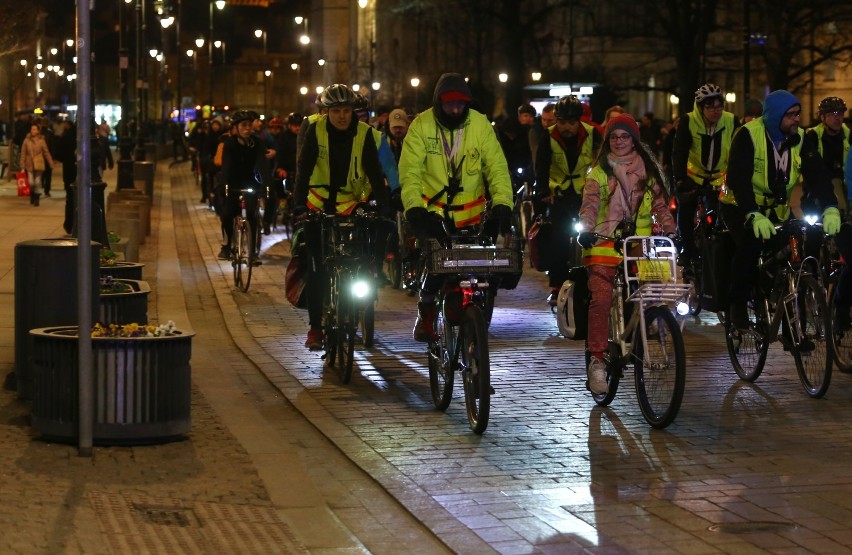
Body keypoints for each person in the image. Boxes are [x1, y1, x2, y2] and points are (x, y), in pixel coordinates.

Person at [399, 72, 514, 342]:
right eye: (449, 104)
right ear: (438, 102)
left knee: (481, 271)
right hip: (434, 214)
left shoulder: (480, 124)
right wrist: (415, 208)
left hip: (472, 214)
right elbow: (410, 171)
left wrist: (502, 204)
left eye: (461, 104)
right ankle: (426, 313)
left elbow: (496, 168)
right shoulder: (421, 126)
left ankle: (474, 321)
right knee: (436, 268)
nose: (455, 109)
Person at [721, 90, 840, 331]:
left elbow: (818, 175)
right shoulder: (747, 135)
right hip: (739, 205)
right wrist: (752, 214)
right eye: (791, 115)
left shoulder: (801, 138)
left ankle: (790, 329)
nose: (797, 119)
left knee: (789, 255)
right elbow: (738, 179)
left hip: (776, 208)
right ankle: (738, 306)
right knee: (750, 245)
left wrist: (830, 207)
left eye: (798, 114)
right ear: (775, 116)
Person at [576, 113, 676, 395]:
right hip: (604, 242)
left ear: (634, 140)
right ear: (608, 140)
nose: (619, 141)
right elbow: (590, 205)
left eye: (625, 136)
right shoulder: (598, 172)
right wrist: (586, 230)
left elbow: (659, 205)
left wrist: (670, 230)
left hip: (638, 243)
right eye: (614, 136)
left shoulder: (648, 170)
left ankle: (647, 332)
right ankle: (597, 360)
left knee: (653, 294)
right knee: (602, 299)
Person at [294, 84, 389, 350]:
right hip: (318, 204)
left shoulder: (364, 134)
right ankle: (315, 328)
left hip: (351, 203)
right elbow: (304, 169)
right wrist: (299, 205)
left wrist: (382, 204)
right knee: (317, 268)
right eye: (336, 111)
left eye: (347, 110)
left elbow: (373, 169)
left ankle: (366, 280)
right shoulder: (315, 130)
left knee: (363, 248)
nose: (342, 116)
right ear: (326, 112)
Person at [534, 94, 603, 305]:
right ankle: (556, 285)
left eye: (572, 123)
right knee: (558, 239)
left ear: (579, 121)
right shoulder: (548, 136)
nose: (567, 128)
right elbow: (542, 165)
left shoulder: (592, 134)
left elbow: (601, 162)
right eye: (562, 122)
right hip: (560, 196)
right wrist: (543, 190)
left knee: (594, 237)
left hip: (586, 195)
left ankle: (596, 277)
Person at [671, 83, 741, 266]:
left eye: (719, 106)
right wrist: (680, 178)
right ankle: (686, 249)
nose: (715, 111)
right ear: (701, 108)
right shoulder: (688, 121)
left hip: (720, 177)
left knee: (723, 214)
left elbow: (738, 151)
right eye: (710, 107)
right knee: (686, 208)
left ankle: (720, 250)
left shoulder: (732, 121)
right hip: (693, 175)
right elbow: (680, 151)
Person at [801, 96, 851, 328]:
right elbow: (811, 169)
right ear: (822, 117)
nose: (837, 117)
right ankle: (807, 277)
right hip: (816, 192)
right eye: (832, 113)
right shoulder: (812, 136)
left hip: (842, 193)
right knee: (811, 237)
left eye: (840, 112)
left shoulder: (848, 136)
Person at [219, 110, 269, 261]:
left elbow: (262, 165)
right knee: (227, 215)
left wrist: (266, 184)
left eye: (249, 125)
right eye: (244, 125)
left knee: (252, 216)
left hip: (250, 183)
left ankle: (252, 252)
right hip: (233, 183)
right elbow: (226, 166)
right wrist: (224, 185)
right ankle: (227, 246)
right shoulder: (230, 144)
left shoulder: (257, 144)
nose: (247, 128)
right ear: (236, 127)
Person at [20, 123, 55, 207]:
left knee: (37, 182)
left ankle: (36, 198)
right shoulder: (26, 140)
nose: (33, 131)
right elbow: (23, 153)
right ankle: (32, 193)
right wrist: (22, 166)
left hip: (39, 163)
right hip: (29, 164)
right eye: (32, 129)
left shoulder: (41, 140)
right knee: (31, 182)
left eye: (35, 129)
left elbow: (46, 152)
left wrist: (51, 163)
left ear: (38, 131)